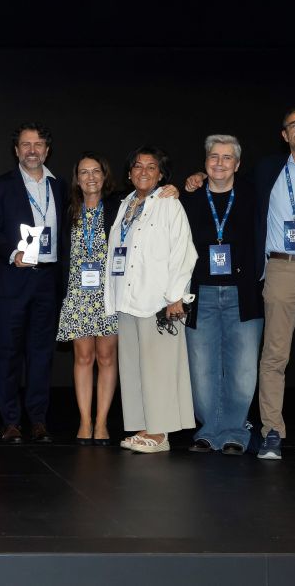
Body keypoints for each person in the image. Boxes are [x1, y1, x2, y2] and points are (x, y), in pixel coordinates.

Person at [189, 107, 295, 461]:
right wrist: (195, 179)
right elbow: (223, 181)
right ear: (284, 135)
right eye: (293, 125)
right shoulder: (268, 171)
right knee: (274, 357)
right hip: (279, 269)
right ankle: (271, 432)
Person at [104, 146, 197, 454]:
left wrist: (175, 298)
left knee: (159, 368)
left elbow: (183, 252)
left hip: (158, 301)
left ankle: (160, 433)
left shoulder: (169, 204)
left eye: (151, 167)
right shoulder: (125, 204)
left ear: (160, 174)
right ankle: (144, 426)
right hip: (128, 300)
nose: (143, 171)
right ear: (129, 173)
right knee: (133, 368)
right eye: (138, 166)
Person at [178, 135, 264, 455]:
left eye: (227, 158)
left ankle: (234, 431)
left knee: (242, 370)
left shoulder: (254, 195)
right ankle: (209, 430)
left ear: (237, 165)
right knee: (202, 368)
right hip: (201, 294)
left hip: (244, 294)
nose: (220, 163)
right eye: (214, 157)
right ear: (205, 163)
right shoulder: (190, 198)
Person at [0, 123, 66, 445]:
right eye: (25, 144)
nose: (32, 150)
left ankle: (39, 420)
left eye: (38, 144)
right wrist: (14, 253)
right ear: (16, 150)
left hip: (47, 279)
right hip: (13, 280)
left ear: (47, 150)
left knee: (41, 355)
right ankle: (10, 421)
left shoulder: (59, 187)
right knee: (8, 353)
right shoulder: (2, 185)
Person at [55, 153, 119, 446]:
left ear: (104, 177)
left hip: (108, 295)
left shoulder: (118, 209)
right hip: (79, 295)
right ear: (77, 179)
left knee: (106, 358)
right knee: (83, 357)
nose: (90, 177)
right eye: (84, 172)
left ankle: (102, 422)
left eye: (96, 171)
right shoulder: (68, 211)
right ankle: (84, 421)